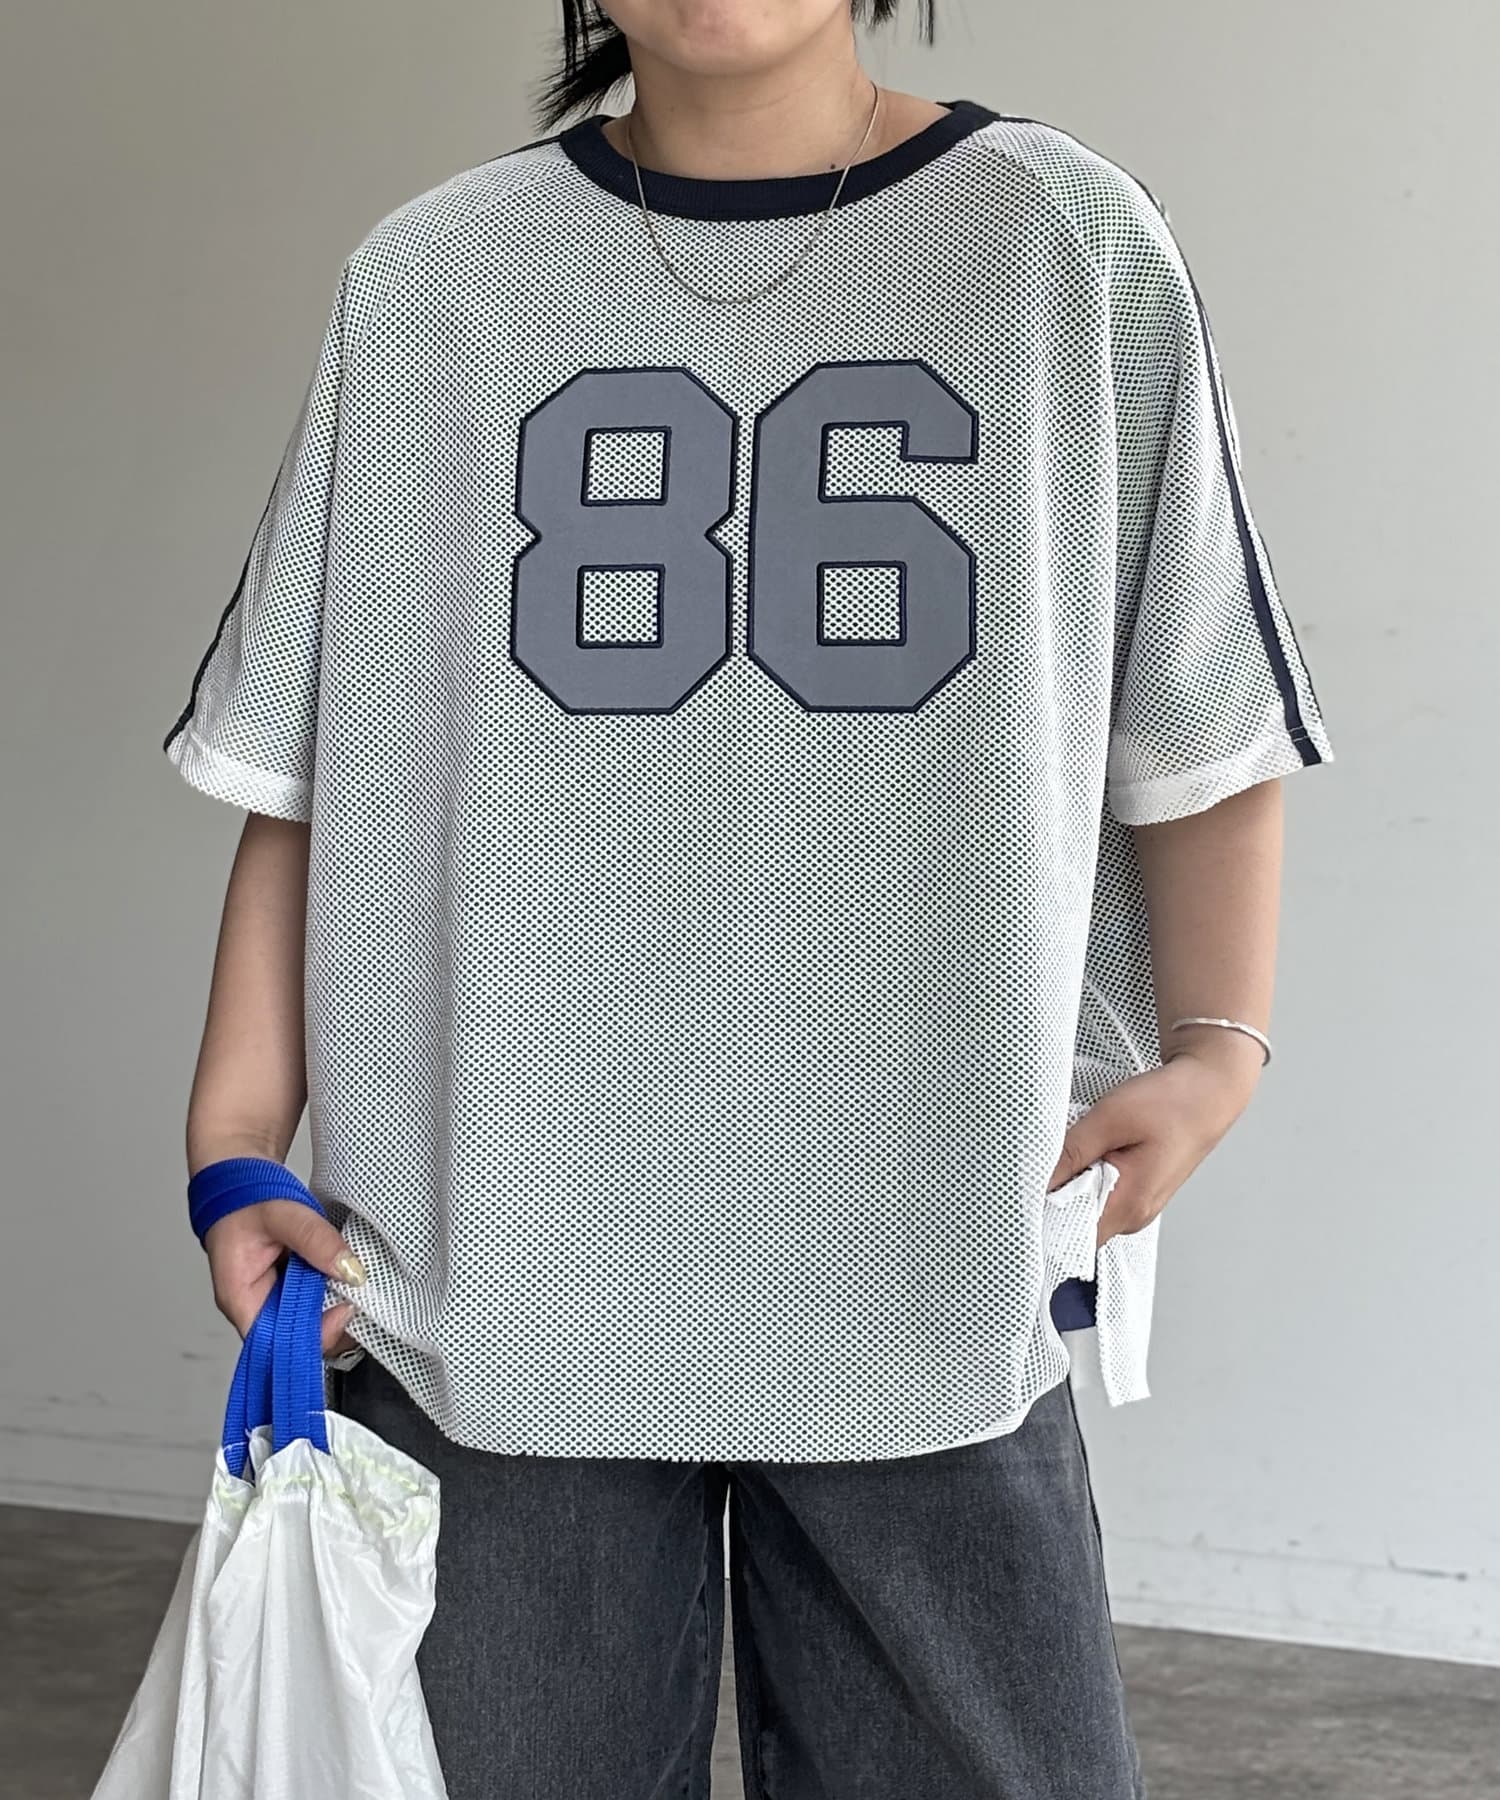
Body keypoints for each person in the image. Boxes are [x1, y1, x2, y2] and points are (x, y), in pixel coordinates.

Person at [161, 2, 1334, 1795]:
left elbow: (1195, 706)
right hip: (497, 1260)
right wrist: (236, 1140)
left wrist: (1220, 1044)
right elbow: (318, 760)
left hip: (928, 1249)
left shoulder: (1064, 239)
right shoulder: (431, 278)